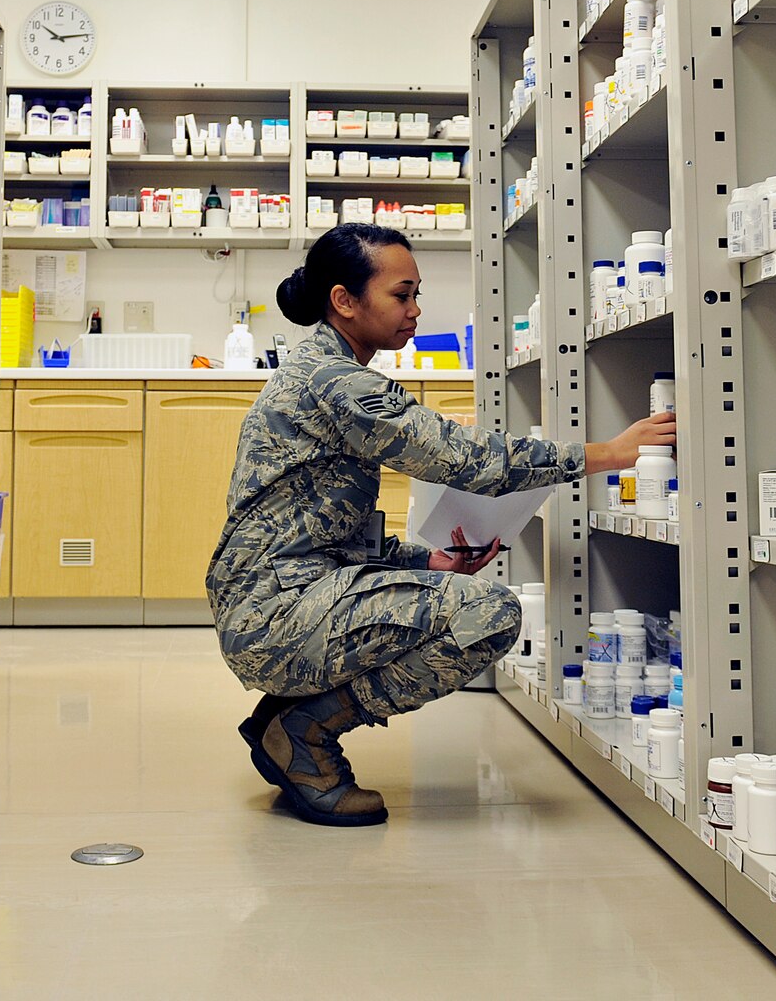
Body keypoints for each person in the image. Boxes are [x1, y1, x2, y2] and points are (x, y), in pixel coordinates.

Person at [208, 224, 677, 826]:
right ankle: (303, 731)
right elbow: (463, 458)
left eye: (416, 295)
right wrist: (606, 453)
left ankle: (290, 718)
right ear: (344, 301)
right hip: (274, 615)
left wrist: (422, 561)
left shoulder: (321, 370)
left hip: (277, 599)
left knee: (455, 596)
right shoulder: (337, 382)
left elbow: (326, 535)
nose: (415, 310)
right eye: (401, 295)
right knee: (489, 615)